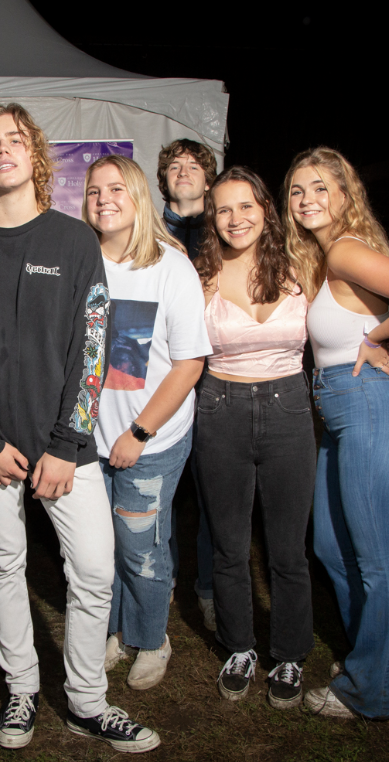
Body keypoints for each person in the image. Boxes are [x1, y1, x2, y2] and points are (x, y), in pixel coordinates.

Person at [0, 103, 159, 753]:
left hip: (68, 450)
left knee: (92, 570)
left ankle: (87, 699)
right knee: (5, 566)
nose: (2, 149)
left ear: (34, 155)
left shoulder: (72, 240)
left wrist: (64, 444)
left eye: (14, 139)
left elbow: (95, 350)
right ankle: (22, 689)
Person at [283, 147, 389, 720]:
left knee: (374, 560)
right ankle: (387, 657)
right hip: (339, 414)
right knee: (330, 547)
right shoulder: (329, 259)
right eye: (297, 190)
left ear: (346, 195)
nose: (307, 199)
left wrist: (376, 340)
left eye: (321, 187)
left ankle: (372, 692)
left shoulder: (348, 250)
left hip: (369, 411)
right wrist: (376, 337)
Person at [80, 155, 209, 691]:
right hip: (87, 443)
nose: (104, 198)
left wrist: (137, 435)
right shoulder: (79, 261)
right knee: (96, 550)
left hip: (148, 440)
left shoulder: (169, 267)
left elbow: (189, 364)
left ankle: (152, 638)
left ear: (138, 195)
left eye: (116, 188)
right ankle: (112, 632)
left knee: (141, 549)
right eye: (93, 190)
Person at [190, 167, 316, 708]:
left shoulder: (302, 264)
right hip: (220, 408)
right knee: (230, 546)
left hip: (290, 408)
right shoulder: (200, 277)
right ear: (211, 218)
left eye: (246, 206)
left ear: (266, 209)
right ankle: (239, 646)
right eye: (223, 209)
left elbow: (351, 316)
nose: (235, 218)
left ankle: (288, 655)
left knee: (289, 550)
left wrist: (376, 344)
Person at [157, 138, 220, 630]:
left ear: (208, 176)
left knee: (211, 491)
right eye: (174, 165)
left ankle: (210, 587)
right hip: (165, 376)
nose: (183, 171)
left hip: (218, 379)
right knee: (162, 492)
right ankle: (163, 579)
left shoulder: (227, 227)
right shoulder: (148, 230)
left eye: (193, 164)